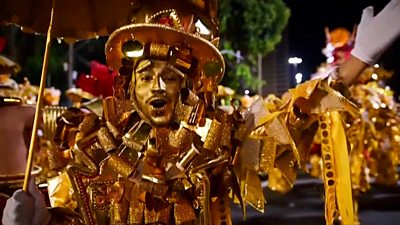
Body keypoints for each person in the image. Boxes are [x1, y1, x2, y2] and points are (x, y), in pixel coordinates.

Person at [2, 0, 400, 225]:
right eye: (146, 75)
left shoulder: (217, 139)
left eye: (171, 76)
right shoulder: (94, 145)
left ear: (190, 85)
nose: (158, 85)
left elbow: (289, 118)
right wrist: (41, 223)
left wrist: (357, 61)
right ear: (127, 85)